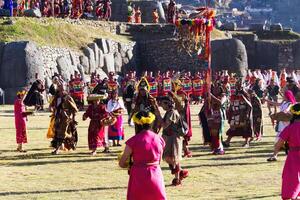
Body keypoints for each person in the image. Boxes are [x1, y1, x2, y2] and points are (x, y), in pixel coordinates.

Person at [119, 111, 167, 200]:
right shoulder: (159, 139)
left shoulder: (133, 141)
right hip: (156, 173)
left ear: (137, 124)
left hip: (138, 175)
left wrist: (128, 163)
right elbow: (159, 161)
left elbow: (121, 163)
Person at [267, 103, 300, 200]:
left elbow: (279, 143)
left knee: (292, 177)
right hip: (294, 155)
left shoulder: (290, 128)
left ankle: (294, 195)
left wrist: (275, 154)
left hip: (293, 156)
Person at [159, 96, 188, 186]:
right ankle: (181, 172)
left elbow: (164, 125)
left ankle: (177, 178)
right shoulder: (169, 112)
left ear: (168, 104)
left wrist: (157, 114)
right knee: (169, 158)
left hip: (174, 138)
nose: (161, 105)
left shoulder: (172, 113)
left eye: (163, 103)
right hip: (169, 137)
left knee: (173, 158)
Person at [224, 79, 254, 148]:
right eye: (237, 85)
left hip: (243, 114)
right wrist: (230, 112)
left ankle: (246, 143)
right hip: (235, 113)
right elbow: (232, 103)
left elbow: (249, 105)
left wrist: (247, 114)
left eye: (239, 85)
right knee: (233, 127)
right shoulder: (234, 93)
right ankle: (227, 141)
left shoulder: (245, 94)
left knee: (245, 128)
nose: (238, 86)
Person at [50, 85, 78, 155]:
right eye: (59, 87)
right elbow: (51, 105)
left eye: (62, 88)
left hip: (66, 118)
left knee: (62, 133)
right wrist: (51, 108)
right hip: (57, 117)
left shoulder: (68, 97)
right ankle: (71, 139)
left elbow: (74, 109)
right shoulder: (56, 97)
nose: (61, 89)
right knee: (57, 132)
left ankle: (57, 150)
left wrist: (73, 118)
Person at [201, 82, 227, 155]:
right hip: (211, 115)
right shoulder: (210, 96)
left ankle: (219, 148)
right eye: (214, 87)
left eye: (217, 87)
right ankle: (215, 148)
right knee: (212, 133)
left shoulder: (223, 96)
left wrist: (211, 96)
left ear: (220, 88)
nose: (215, 88)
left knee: (217, 133)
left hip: (219, 115)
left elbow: (220, 103)